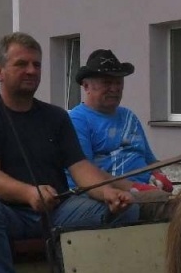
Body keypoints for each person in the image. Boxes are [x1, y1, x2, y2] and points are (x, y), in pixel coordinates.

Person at [0, 32, 137, 273]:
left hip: (57, 211)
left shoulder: (56, 116)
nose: (32, 71)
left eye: (37, 64)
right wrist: (28, 192)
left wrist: (109, 194)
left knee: (129, 210)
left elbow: (81, 168)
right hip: (9, 215)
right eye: (22, 64)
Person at [67, 49, 172, 193]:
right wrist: (134, 188)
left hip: (147, 190)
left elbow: (150, 159)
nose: (115, 89)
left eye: (118, 82)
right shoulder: (77, 120)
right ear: (86, 86)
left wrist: (158, 174)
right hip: (112, 197)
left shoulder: (130, 117)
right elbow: (86, 173)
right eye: (107, 82)